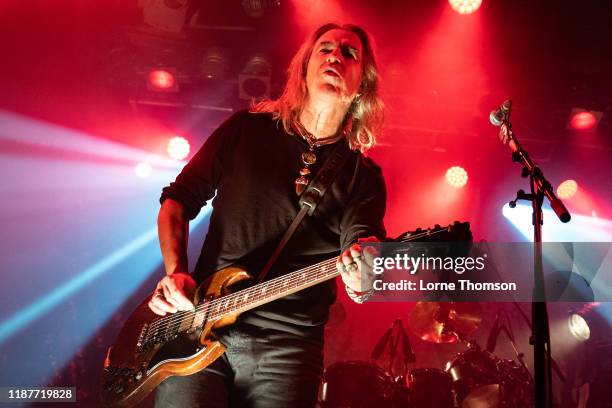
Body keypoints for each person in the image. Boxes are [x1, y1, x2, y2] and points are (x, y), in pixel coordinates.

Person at [149, 22, 387, 408]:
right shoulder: (245, 131)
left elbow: (363, 241)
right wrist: (176, 270)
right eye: (325, 49)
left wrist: (366, 271)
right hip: (199, 326)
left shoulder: (364, 176)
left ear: (361, 85)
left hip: (287, 349)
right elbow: (177, 201)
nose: (335, 57)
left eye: (349, 53)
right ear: (305, 68)